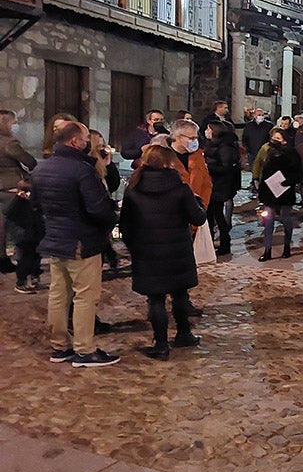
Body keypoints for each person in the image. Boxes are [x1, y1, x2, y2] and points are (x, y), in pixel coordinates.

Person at [30, 121, 120, 367]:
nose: (86, 144)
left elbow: (36, 204)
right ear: (74, 142)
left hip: (55, 239)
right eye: (84, 140)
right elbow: (97, 208)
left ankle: (59, 346)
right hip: (81, 240)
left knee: (58, 295)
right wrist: (113, 220)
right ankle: (84, 349)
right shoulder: (81, 170)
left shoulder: (41, 168)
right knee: (85, 296)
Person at [119, 145, 206, 360]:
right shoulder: (181, 189)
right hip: (177, 251)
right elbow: (199, 218)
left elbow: (125, 225)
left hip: (147, 252)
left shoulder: (133, 189)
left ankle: (160, 344)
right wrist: (198, 202)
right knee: (179, 294)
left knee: (155, 299)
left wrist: (134, 248)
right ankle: (184, 334)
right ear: (169, 163)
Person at [0, 109, 37, 273]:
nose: (16, 126)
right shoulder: (9, 143)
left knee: (1, 227)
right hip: (12, 187)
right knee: (23, 229)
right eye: (14, 123)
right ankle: (25, 265)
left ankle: (2, 259)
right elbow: (29, 161)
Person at [258, 129, 301, 261]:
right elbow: (263, 169)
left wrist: (287, 181)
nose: (275, 140)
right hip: (270, 191)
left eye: (279, 138)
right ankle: (267, 249)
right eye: (274, 137)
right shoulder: (269, 151)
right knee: (269, 220)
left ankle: (287, 246)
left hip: (285, 190)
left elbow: (297, 172)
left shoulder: (292, 153)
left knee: (285, 218)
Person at [203, 120, 241, 255]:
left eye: (208, 129)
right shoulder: (212, 143)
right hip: (212, 184)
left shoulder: (225, 146)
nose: (206, 131)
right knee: (209, 215)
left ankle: (225, 243)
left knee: (218, 215)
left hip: (220, 185)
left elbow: (227, 167)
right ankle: (210, 242)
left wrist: (208, 167)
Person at [88, 129, 123, 272]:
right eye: (99, 147)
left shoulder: (102, 164)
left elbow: (113, 185)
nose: (103, 150)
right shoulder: (88, 166)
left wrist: (109, 164)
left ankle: (111, 258)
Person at [3, 178, 43, 293]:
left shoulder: (32, 201)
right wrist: (19, 198)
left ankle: (32, 278)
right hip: (23, 236)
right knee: (24, 259)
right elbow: (8, 212)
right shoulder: (18, 202)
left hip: (34, 234)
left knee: (34, 258)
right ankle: (21, 282)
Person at [169, 120, 213, 208]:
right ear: (178, 137)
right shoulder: (163, 158)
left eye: (196, 138)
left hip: (196, 210)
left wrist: (202, 206)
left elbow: (206, 184)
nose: (195, 141)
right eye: (191, 138)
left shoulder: (198, 156)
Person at [242, 109, 274, 173]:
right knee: (253, 169)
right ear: (254, 115)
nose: (261, 116)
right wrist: (247, 149)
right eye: (259, 115)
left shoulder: (269, 125)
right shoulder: (249, 125)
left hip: (265, 151)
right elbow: (245, 138)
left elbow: (271, 137)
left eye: (262, 115)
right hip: (252, 152)